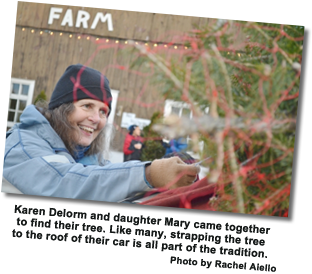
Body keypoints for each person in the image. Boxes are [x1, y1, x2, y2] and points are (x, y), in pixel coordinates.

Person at [2, 64, 200, 202]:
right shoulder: (22, 145)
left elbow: (108, 184)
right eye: (87, 106)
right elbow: (64, 186)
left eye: (103, 112)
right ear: (62, 108)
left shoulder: (86, 157)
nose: (96, 119)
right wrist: (148, 173)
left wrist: (166, 180)